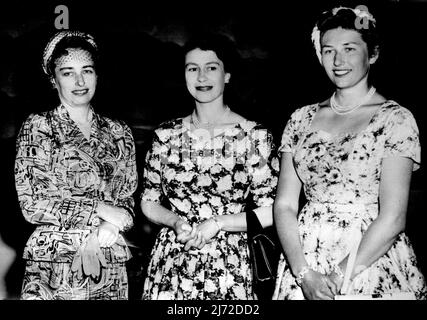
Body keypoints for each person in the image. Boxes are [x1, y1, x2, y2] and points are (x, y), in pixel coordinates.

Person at [273, 6, 427, 300]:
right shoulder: (300, 119)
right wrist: (304, 274)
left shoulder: (395, 119)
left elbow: (393, 217)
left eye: (349, 48)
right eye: (329, 50)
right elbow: (284, 206)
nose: (338, 60)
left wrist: (336, 277)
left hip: (366, 260)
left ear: (373, 54)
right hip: (305, 260)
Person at [140, 33, 279, 299]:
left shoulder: (254, 136)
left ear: (227, 75)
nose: (201, 77)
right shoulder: (166, 135)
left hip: (228, 264)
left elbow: (272, 211)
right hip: (171, 261)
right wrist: (175, 222)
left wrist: (217, 223)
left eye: (211, 68)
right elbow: (148, 200)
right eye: (192, 69)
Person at [14, 31, 138, 300]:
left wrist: (112, 226)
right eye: (68, 72)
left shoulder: (119, 131)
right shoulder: (39, 126)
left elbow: (127, 202)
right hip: (54, 265)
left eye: (87, 70)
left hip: (109, 264)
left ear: (97, 75)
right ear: (53, 79)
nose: (80, 81)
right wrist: (101, 211)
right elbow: (32, 204)